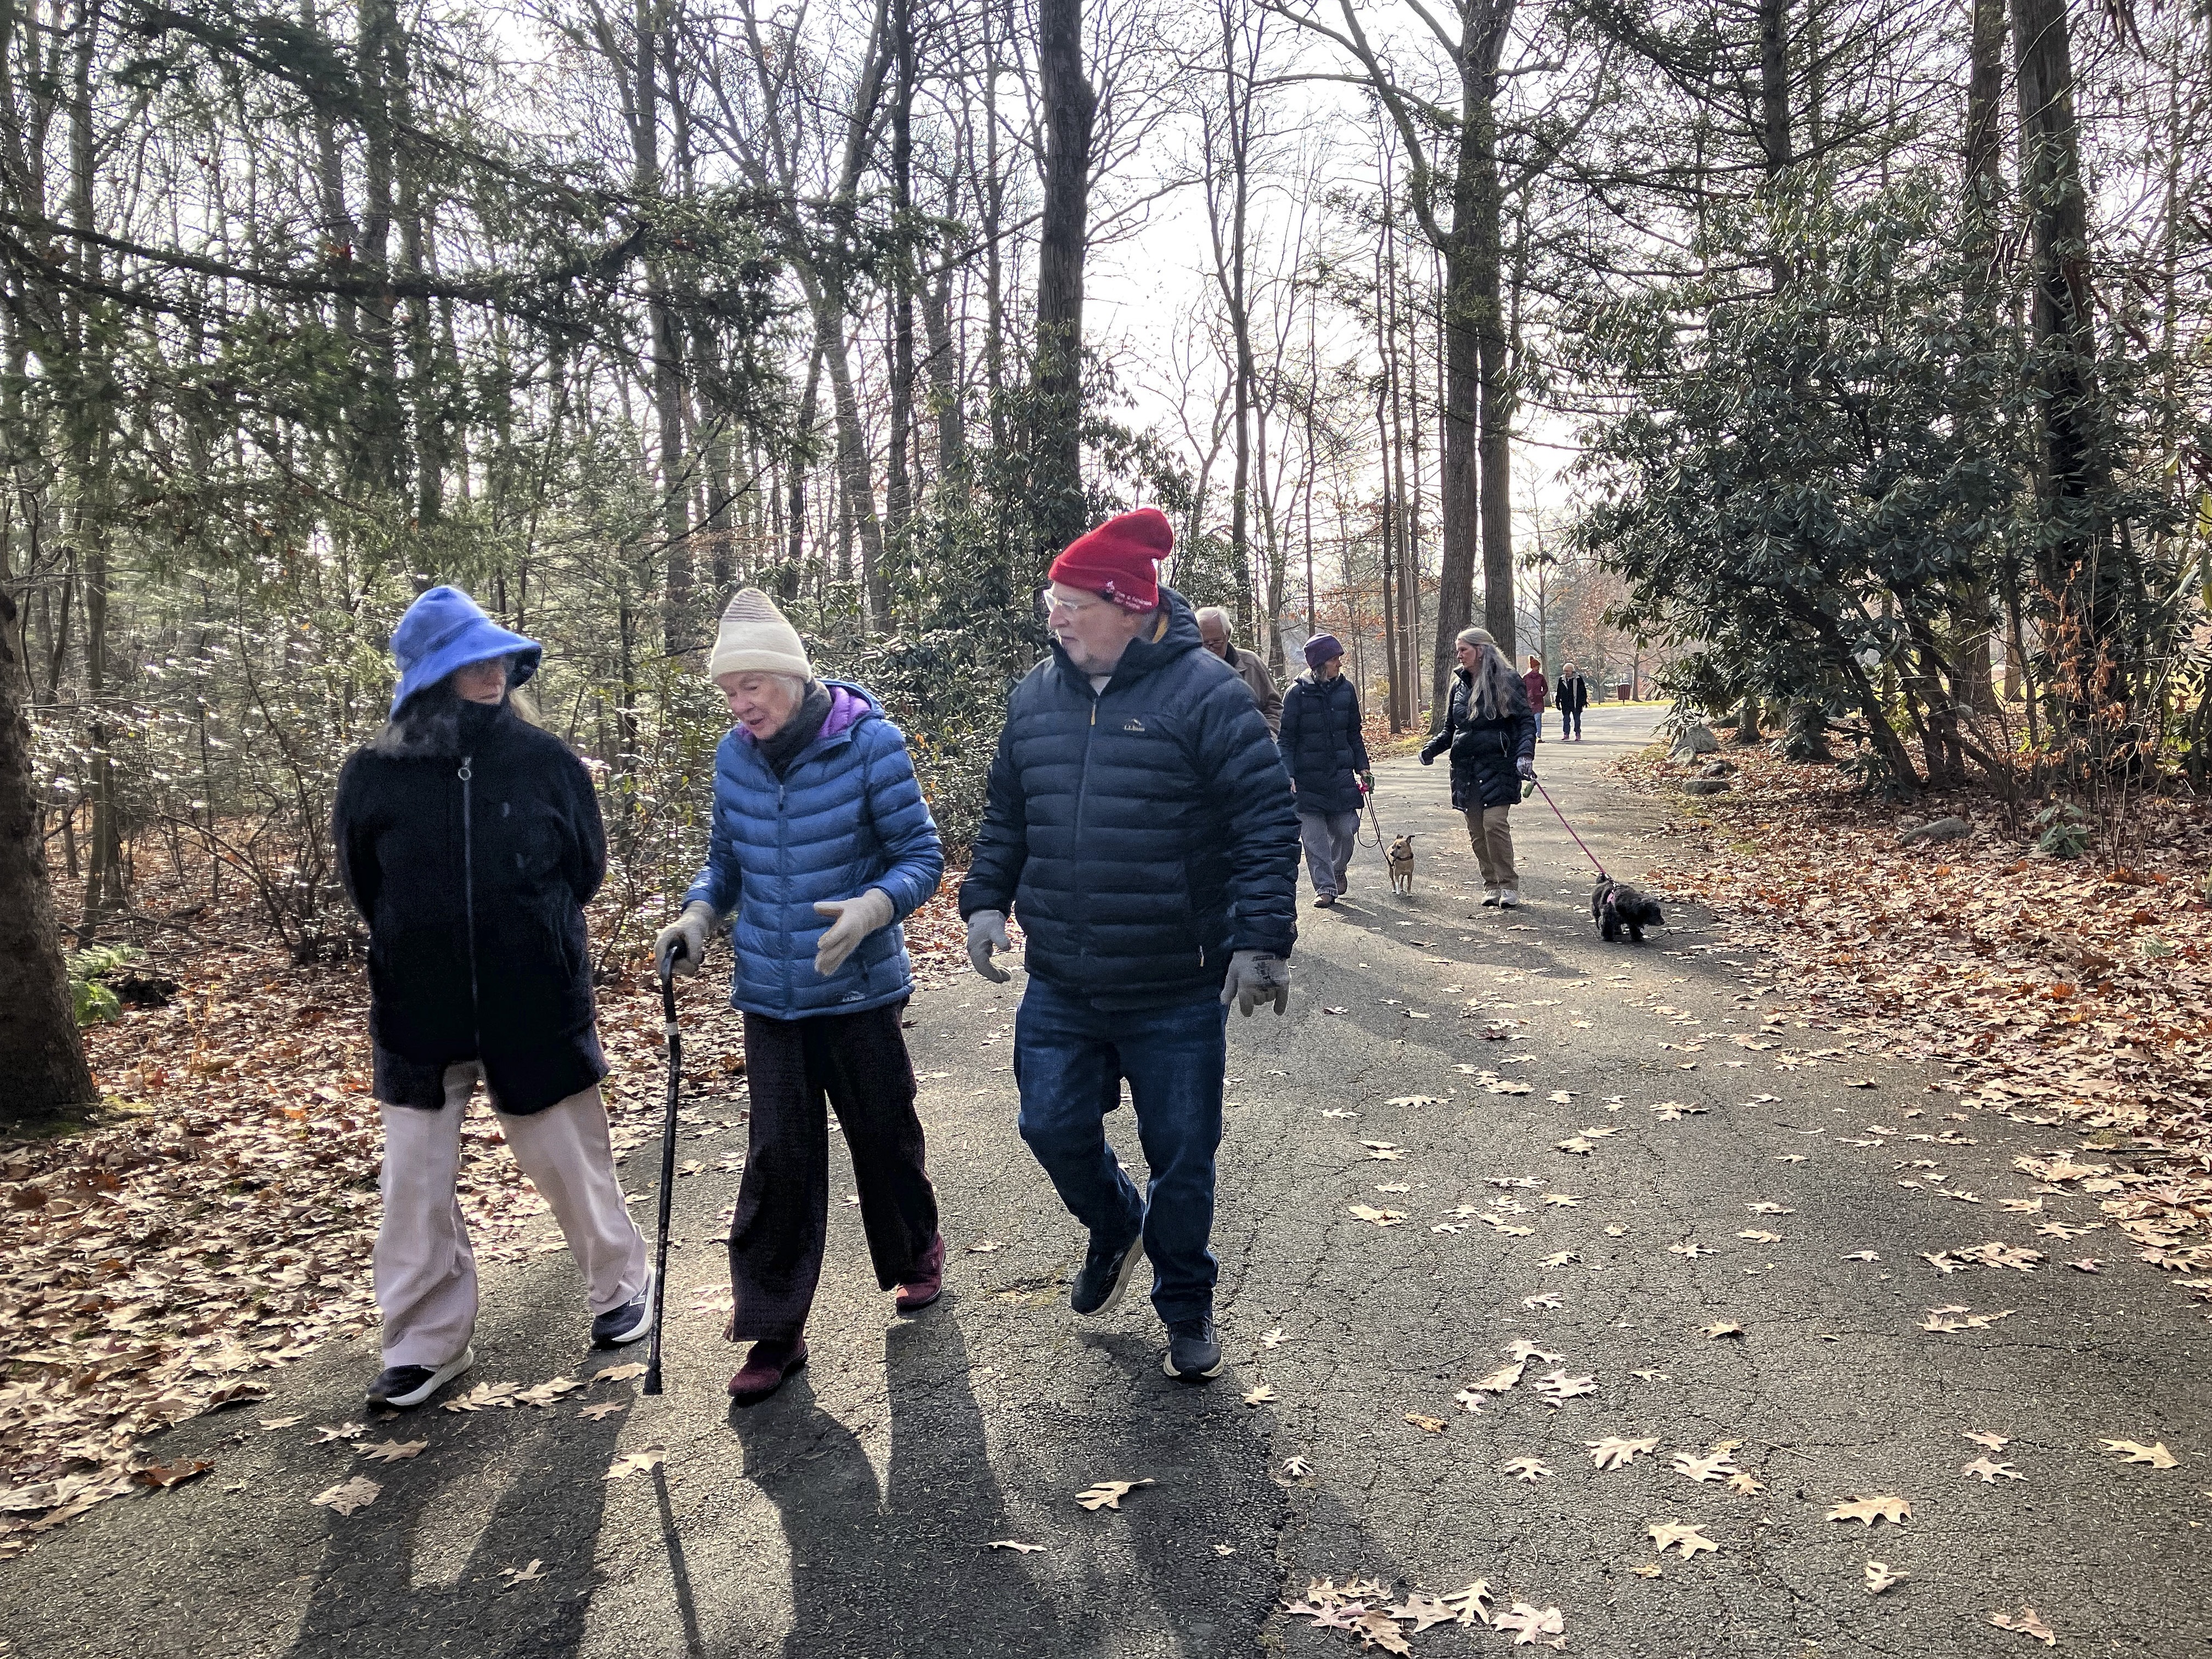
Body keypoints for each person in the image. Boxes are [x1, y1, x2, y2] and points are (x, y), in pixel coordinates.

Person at [958, 507, 1299, 1384]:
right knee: (1049, 1124)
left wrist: (1259, 940)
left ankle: (1185, 1304)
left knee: (1183, 1154)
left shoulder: (1206, 693)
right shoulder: (1034, 695)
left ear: (1130, 603)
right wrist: (985, 899)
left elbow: (1266, 821)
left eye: (1074, 601)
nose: (1057, 617)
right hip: (1064, 977)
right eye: (1053, 601)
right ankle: (1115, 1225)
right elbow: (1008, 813)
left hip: (1175, 984)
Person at [334, 586, 650, 1412]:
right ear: (428, 676)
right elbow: (368, 889)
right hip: (416, 1012)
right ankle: (423, 1342)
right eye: (469, 660)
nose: (491, 672)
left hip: (534, 1000)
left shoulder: (546, 761)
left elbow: (585, 871)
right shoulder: (371, 773)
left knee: (569, 1162)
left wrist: (527, 933)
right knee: (413, 1185)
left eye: (498, 656)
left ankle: (619, 1288)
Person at [655, 590, 946, 1406]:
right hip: (772, 995)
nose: (740, 703)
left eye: (753, 684)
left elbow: (920, 854)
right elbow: (725, 859)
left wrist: (874, 907)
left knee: (882, 1131)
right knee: (778, 1159)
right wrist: (700, 912)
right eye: (728, 690)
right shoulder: (733, 756)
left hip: (856, 986)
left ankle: (916, 1249)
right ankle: (773, 1330)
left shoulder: (869, 743)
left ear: (791, 674)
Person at [1420, 628, 1539, 909]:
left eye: (1464, 650)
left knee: (1494, 824)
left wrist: (1525, 755)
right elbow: (1451, 729)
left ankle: (1509, 885)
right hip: (1466, 769)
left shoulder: (1508, 680)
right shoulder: (1458, 685)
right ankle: (1491, 884)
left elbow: (1525, 722)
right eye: (1458, 650)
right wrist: (1432, 749)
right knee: (1476, 830)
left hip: (1500, 765)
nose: (1459, 655)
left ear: (1482, 650)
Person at [1277, 633, 1371, 908]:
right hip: (1306, 782)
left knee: (1346, 829)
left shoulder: (1347, 690)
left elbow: (1354, 733)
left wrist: (1362, 767)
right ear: (1319, 664)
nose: (1339, 663)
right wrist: (1288, 773)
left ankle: (1338, 869)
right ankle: (1326, 887)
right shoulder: (1296, 693)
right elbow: (1286, 739)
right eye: (1334, 659)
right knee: (1314, 839)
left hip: (1340, 777)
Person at [1194, 605, 1284, 737]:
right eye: (1205, 644)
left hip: (1252, 749)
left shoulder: (1251, 664)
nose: (1210, 649)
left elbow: (1274, 707)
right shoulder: (1190, 671)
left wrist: (1267, 735)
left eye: (1217, 642)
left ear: (1228, 635)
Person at [1556, 662, 1589, 742]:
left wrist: (1584, 701)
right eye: (1565, 671)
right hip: (1566, 703)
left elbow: (1583, 691)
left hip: (1576, 703)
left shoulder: (1578, 679)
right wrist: (1558, 702)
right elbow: (1559, 692)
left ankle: (1578, 733)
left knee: (1577, 719)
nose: (1566, 673)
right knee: (1566, 719)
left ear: (1572, 671)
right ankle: (1566, 734)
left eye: (1568, 671)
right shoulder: (1562, 680)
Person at [1522, 655, 1550, 742]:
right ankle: (1531, 735)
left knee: (1538, 719)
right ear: (1533, 667)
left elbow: (1546, 688)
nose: (1538, 669)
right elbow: (1522, 688)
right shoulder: (1526, 678)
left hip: (1538, 701)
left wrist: (1541, 694)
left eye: (1539, 667)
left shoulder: (1541, 677)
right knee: (1530, 720)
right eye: (1537, 667)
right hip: (1529, 702)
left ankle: (1538, 736)